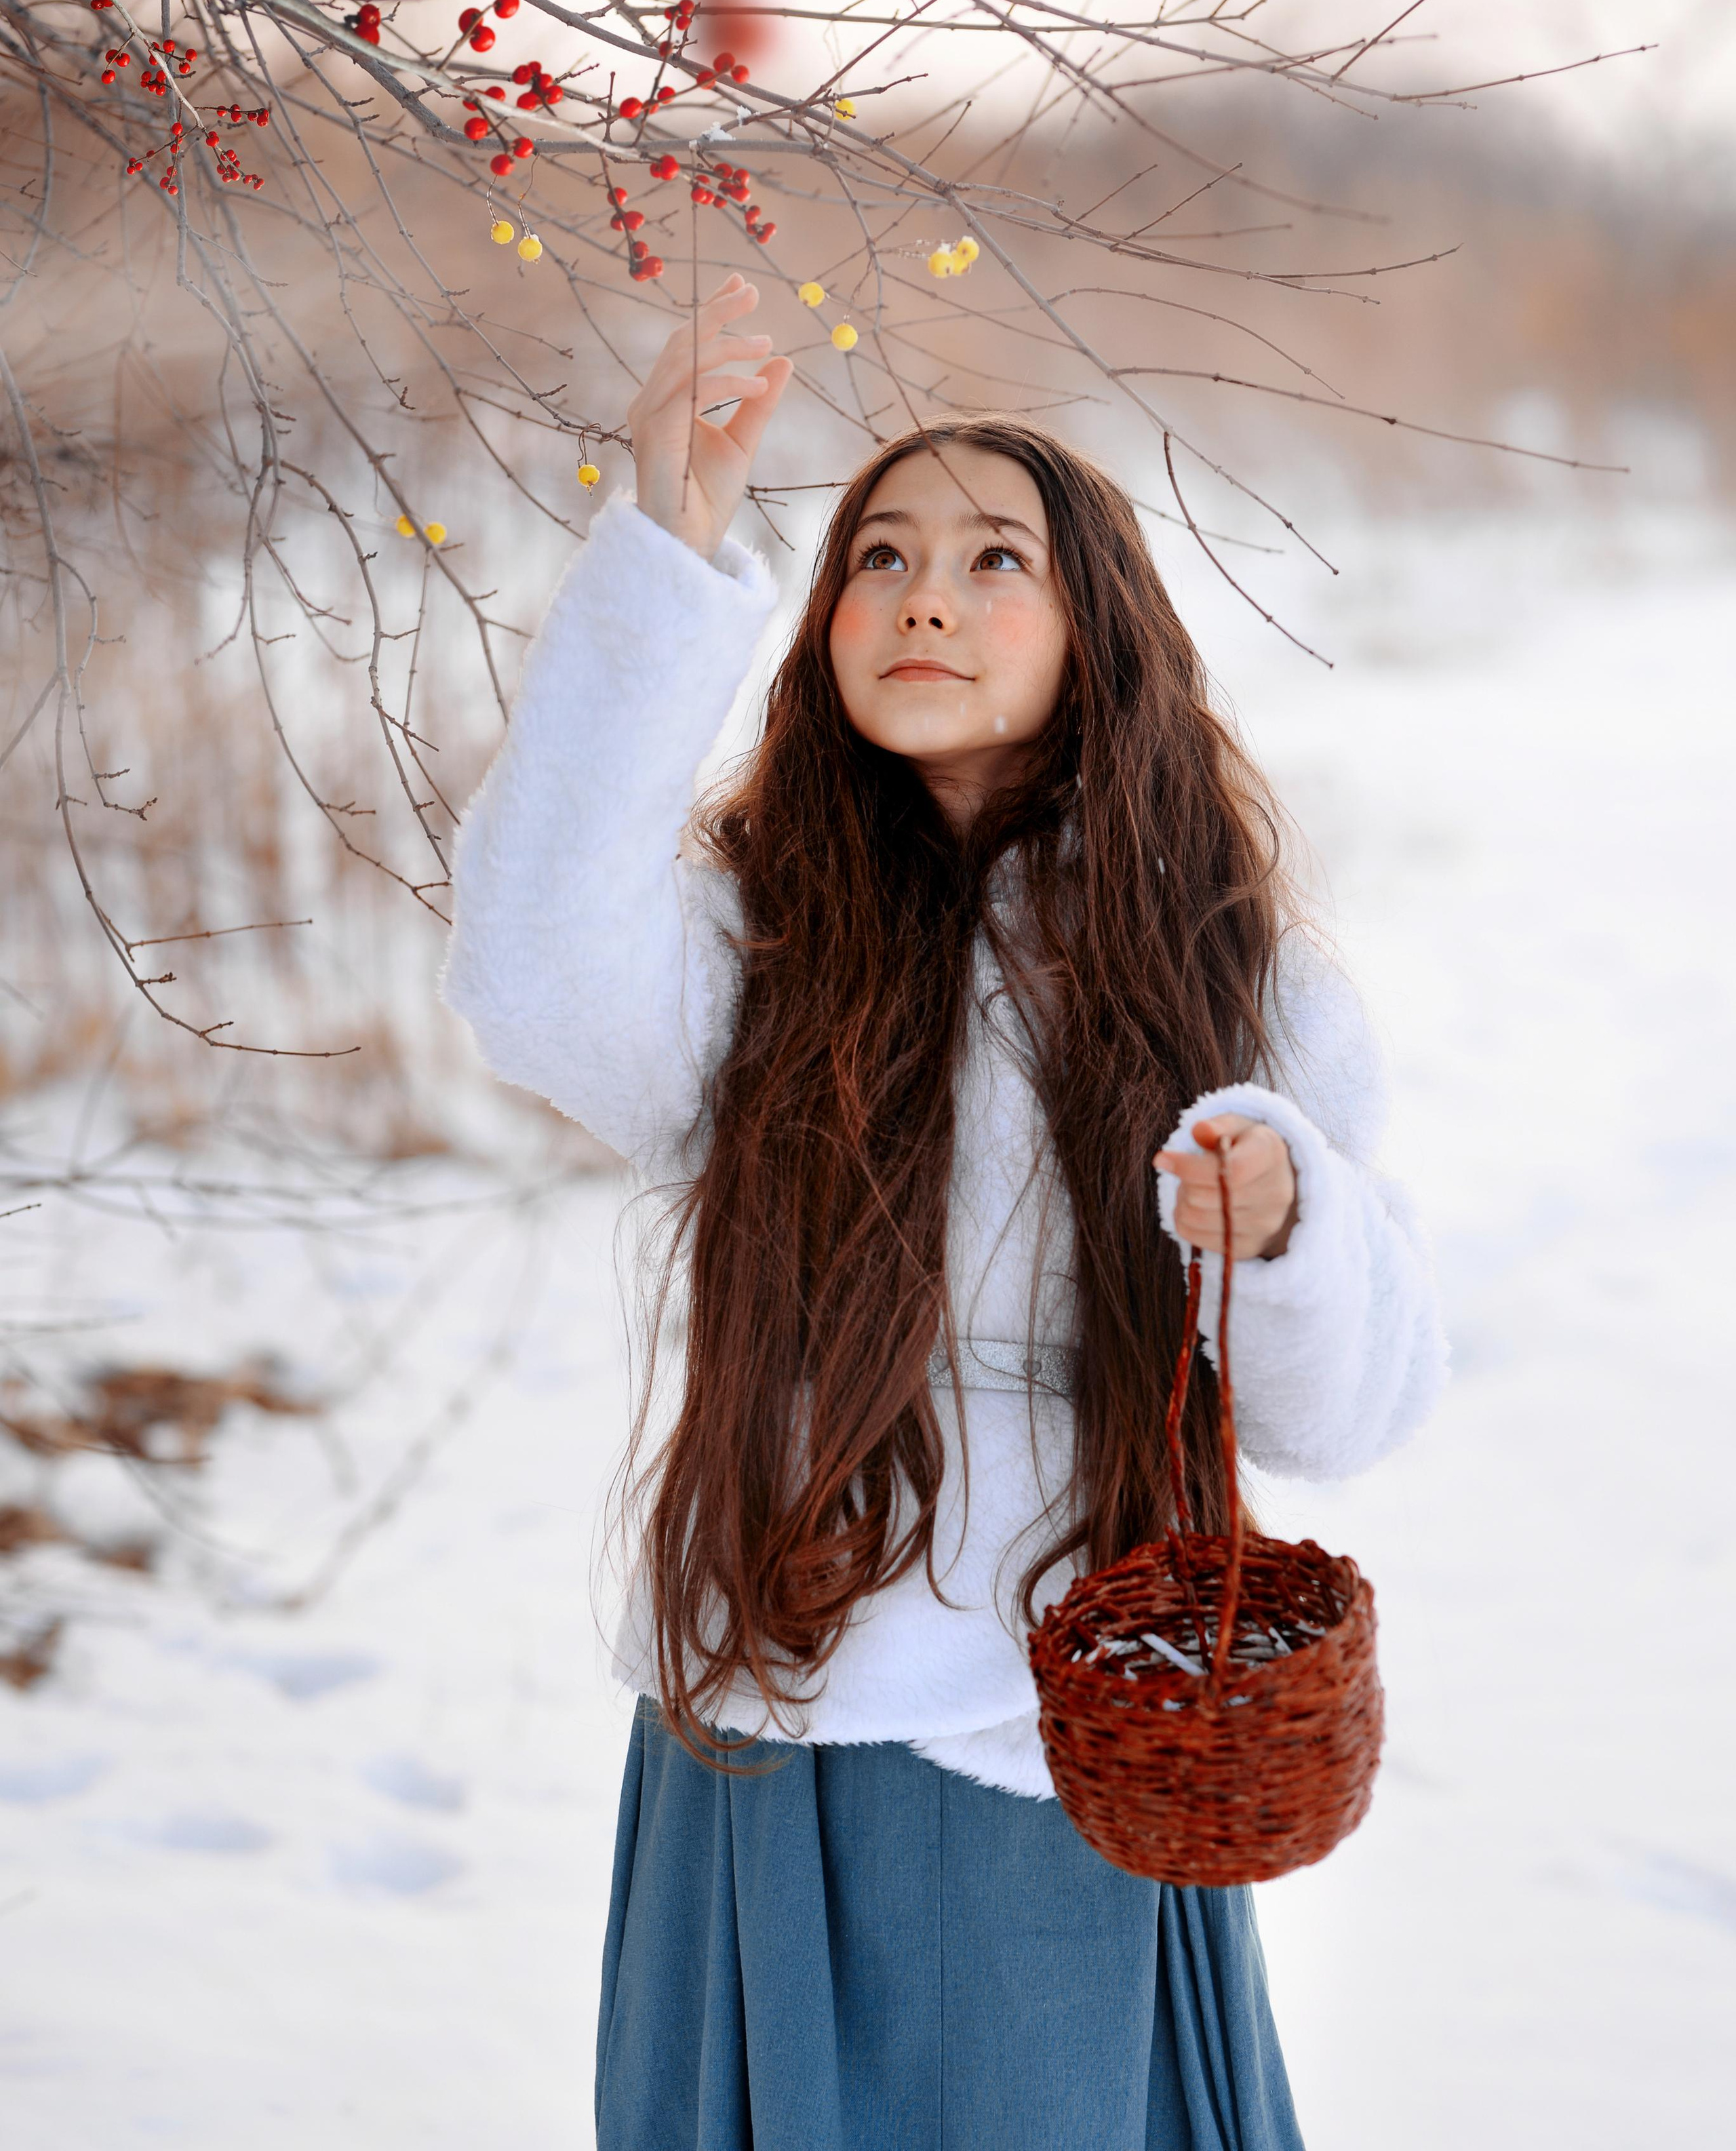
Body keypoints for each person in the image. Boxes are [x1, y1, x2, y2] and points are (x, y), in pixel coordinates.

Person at [439, 273, 1446, 2151]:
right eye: (879, 555)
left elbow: (1352, 1408)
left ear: (1099, 629)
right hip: (780, 1694)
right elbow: (528, 965)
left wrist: (1289, 1225)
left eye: (996, 560)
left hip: (1065, 1730)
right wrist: (668, 545)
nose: (923, 593)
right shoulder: (759, 948)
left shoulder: (1235, 982)